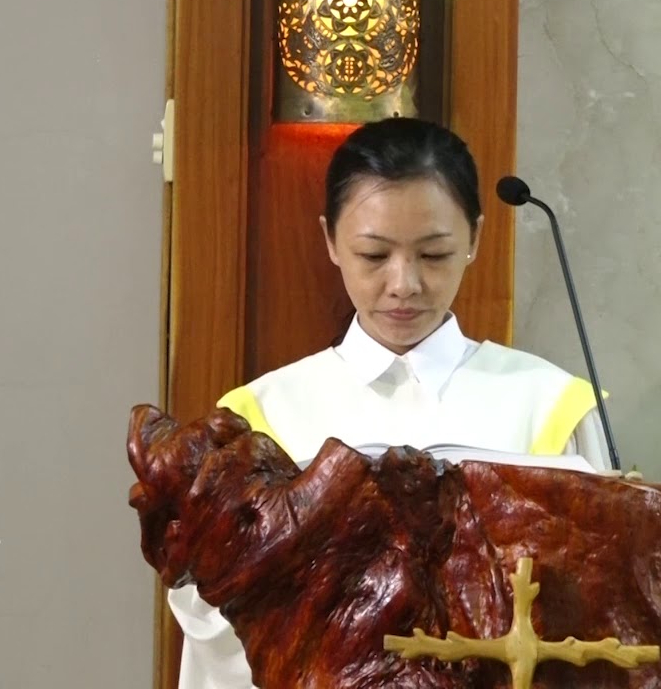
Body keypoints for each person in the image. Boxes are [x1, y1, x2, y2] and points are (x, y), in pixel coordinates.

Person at [168, 117, 612, 689]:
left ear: (475, 239)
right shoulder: (260, 417)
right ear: (331, 241)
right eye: (374, 255)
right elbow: (215, 624)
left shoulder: (548, 406)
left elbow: (597, 614)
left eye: (434, 254)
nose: (404, 284)